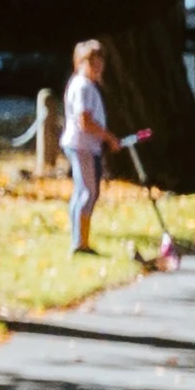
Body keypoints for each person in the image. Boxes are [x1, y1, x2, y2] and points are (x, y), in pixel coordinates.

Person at [64, 37, 113, 252]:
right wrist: (108, 136)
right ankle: (80, 242)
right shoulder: (82, 86)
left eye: (100, 61)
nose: (97, 66)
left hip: (87, 145)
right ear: (81, 62)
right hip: (81, 145)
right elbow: (84, 120)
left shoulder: (88, 86)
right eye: (92, 61)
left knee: (84, 191)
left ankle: (80, 238)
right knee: (88, 192)